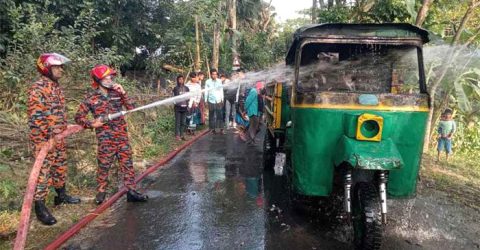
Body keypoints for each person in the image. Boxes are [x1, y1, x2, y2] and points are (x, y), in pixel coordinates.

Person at [75, 64, 148, 205]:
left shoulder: (117, 93)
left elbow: (132, 108)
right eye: (106, 77)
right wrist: (91, 124)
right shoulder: (91, 97)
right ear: (98, 79)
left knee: (127, 164)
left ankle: (131, 191)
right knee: (103, 166)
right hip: (105, 139)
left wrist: (124, 92)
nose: (110, 79)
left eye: (111, 77)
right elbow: (78, 117)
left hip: (121, 137)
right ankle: (101, 192)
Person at [27, 53, 81, 225]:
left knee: (60, 166)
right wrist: (46, 140)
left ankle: (61, 196)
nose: (61, 70)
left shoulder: (56, 87)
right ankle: (40, 207)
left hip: (58, 137)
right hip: (45, 140)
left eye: (61, 67)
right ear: (47, 68)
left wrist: (63, 129)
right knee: (43, 172)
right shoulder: (38, 88)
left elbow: (56, 113)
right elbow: (36, 118)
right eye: (57, 67)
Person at [204, 69, 225, 134]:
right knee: (211, 115)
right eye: (213, 74)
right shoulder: (207, 82)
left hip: (218, 100)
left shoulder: (219, 81)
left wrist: (222, 99)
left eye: (216, 74)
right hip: (211, 100)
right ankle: (212, 129)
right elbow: (206, 91)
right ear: (211, 75)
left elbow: (221, 90)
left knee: (220, 115)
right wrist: (205, 100)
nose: (214, 75)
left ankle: (221, 129)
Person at [173, 75, 190, 140]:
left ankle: (182, 135)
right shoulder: (175, 88)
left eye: (182, 79)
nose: (181, 80)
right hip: (178, 108)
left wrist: (188, 105)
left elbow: (188, 97)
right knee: (178, 122)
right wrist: (176, 104)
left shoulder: (186, 88)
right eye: (179, 79)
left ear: (183, 80)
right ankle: (177, 135)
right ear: (177, 80)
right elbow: (173, 98)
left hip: (185, 108)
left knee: (183, 122)